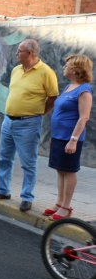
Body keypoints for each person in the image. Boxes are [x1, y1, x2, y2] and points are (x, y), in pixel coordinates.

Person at [0, 39, 59, 212]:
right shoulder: (16, 70)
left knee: (28, 162)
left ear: (31, 53)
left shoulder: (46, 72)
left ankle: (27, 197)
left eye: (20, 51)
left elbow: (53, 98)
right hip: (8, 121)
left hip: (28, 123)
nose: (16, 53)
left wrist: (40, 113)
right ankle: (3, 190)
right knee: (4, 158)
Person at [44, 54, 93, 220]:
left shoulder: (84, 90)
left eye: (67, 65)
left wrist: (73, 139)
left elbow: (84, 117)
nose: (64, 68)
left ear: (76, 69)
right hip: (59, 136)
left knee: (69, 170)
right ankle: (59, 203)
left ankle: (66, 207)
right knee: (60, 170)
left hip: (71, 138)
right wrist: (53, 136)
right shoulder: (68, 87)